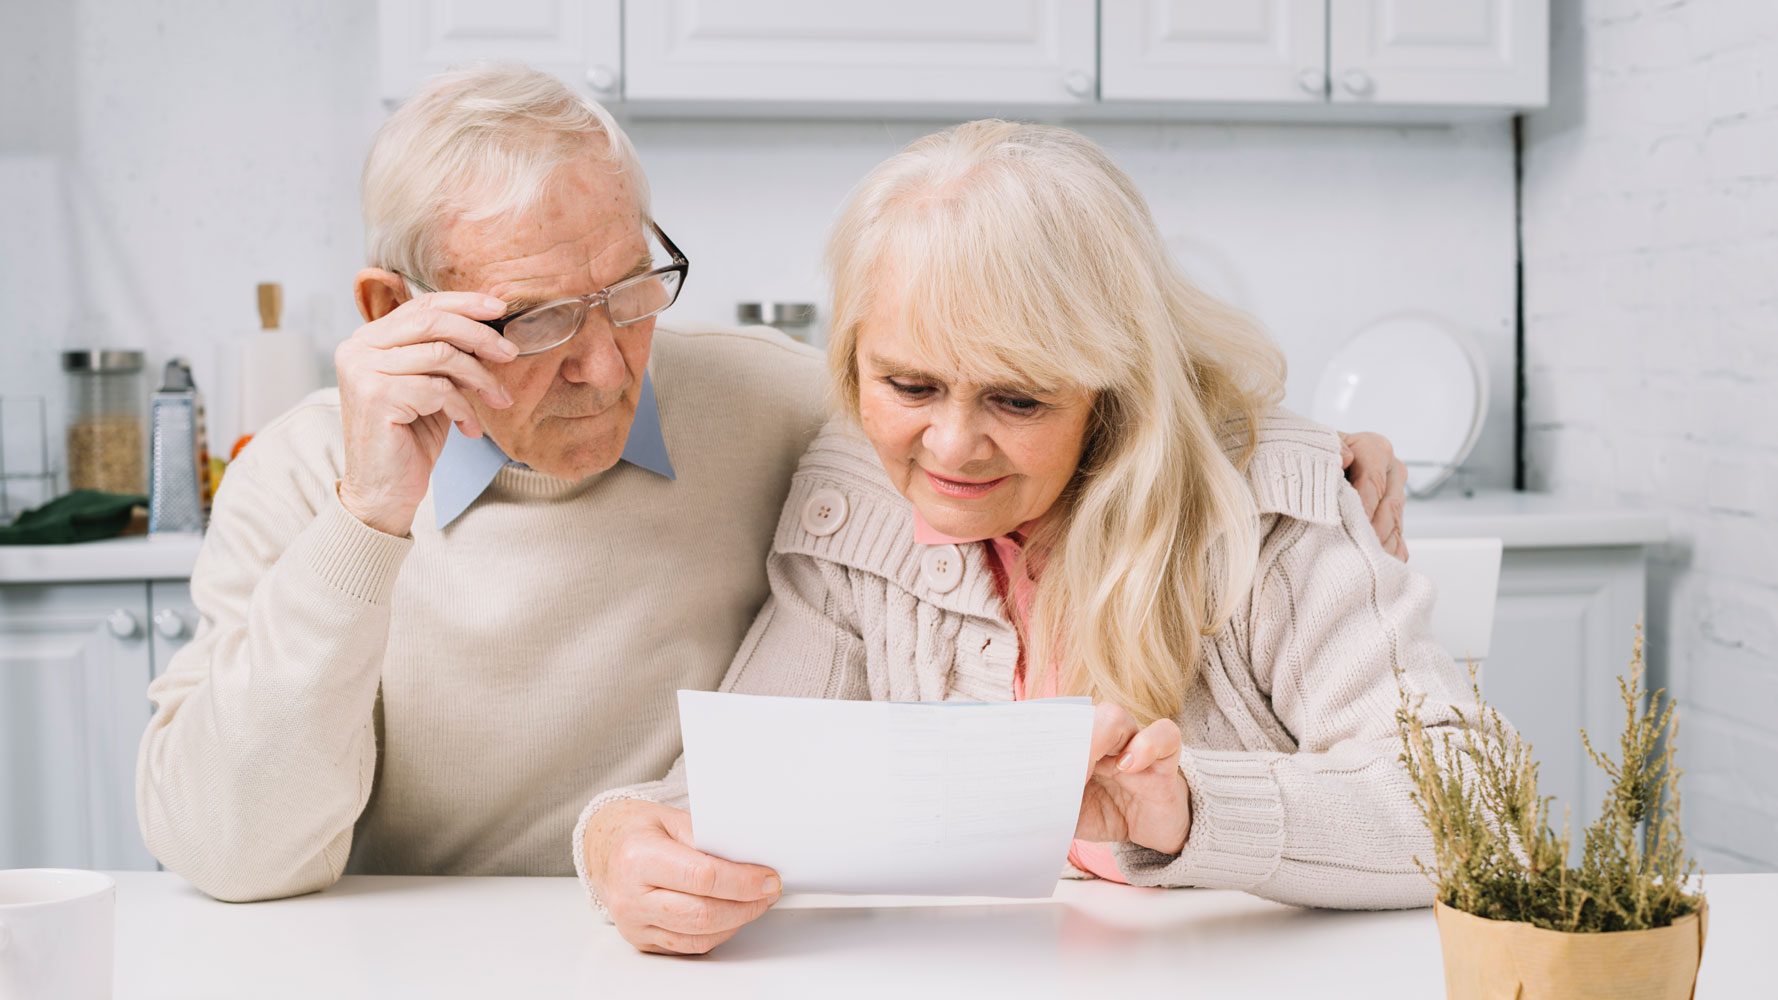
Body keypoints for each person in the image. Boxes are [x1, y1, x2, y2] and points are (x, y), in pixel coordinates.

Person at [136, 65, 1408, 903]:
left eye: (630, 291)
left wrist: (1274, 455)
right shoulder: (301, 480)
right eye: (533, 321)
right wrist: (367, 522)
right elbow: (231, 853)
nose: (603, 362)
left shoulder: (792, 408)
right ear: (392, 312)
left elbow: (1023, 362)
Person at [579, 120, 1475, 956]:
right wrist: (614, 838)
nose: (952, 448)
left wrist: (1190, 810)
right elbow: (732, 794)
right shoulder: (852, 490)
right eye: (910, 386)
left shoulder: (1268, 509)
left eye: (1018, 399)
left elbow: (1472, 811)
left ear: (1114, 390)